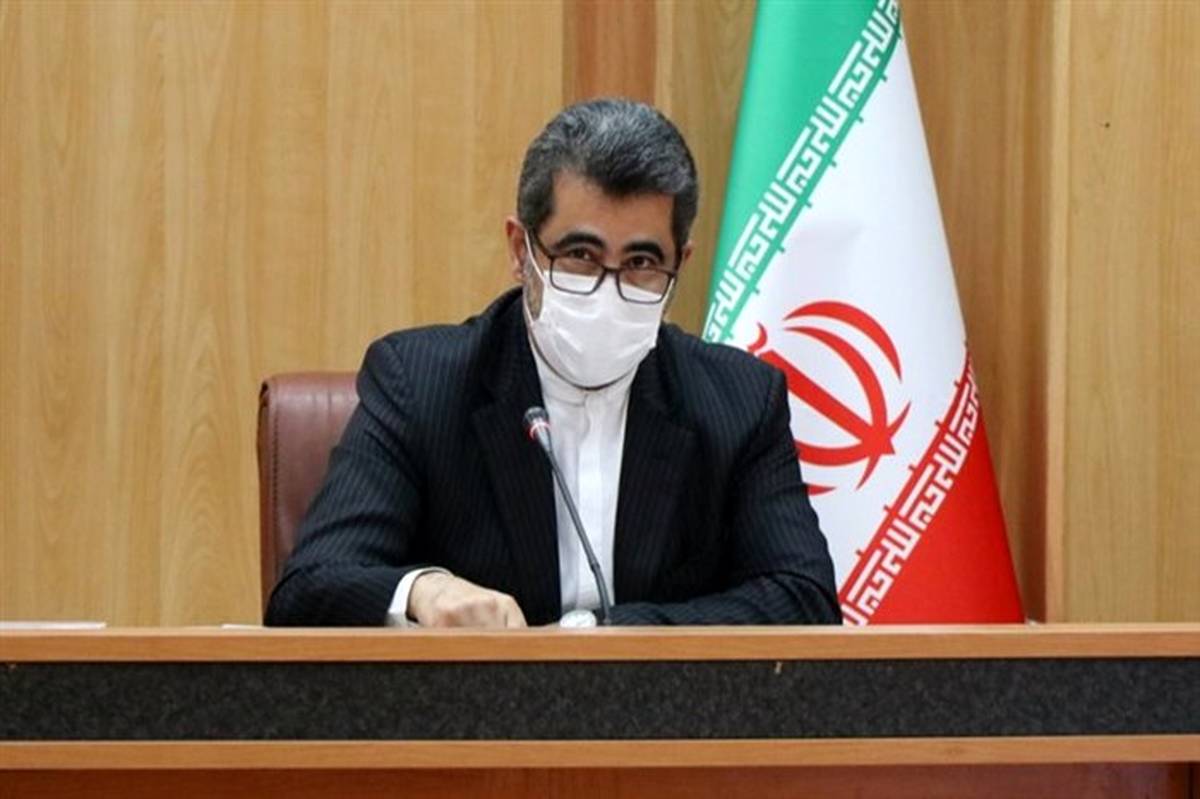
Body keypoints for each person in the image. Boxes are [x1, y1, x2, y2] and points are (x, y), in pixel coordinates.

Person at [265, 99, 840, 628]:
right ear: (522, 251)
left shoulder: (740, 401)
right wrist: (423, 590)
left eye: (641, 262)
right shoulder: (420, 382)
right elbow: (308, 590)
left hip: (663, 708)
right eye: (580, 255)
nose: (608, 288)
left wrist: (600, 637)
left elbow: (803, 600)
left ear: (679, 265)